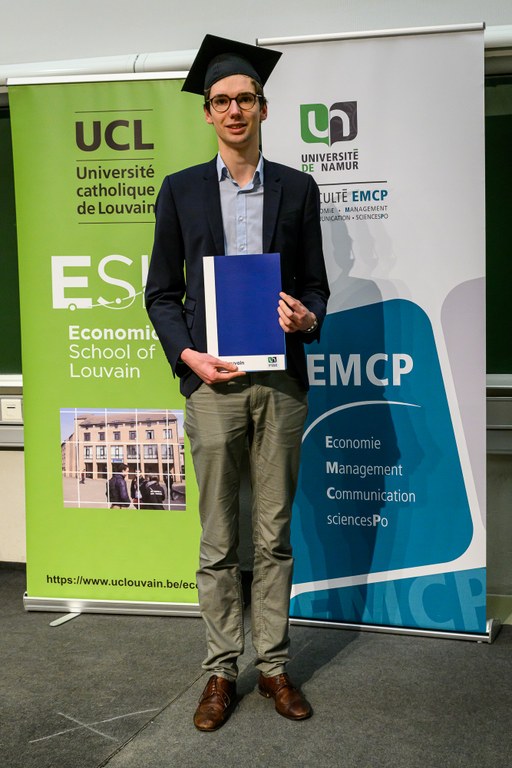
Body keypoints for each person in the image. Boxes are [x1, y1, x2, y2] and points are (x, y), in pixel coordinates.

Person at [145, 34, 329, 732]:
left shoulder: (298, 189)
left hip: (280, 383)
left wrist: (308, 316)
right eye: (220, 101)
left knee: (273, 534)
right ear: (207, 113)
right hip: (213, 385)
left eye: (245, 99)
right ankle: (221, 671)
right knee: (219, 539)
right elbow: (161, 294)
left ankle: (274, 666)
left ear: (263, 108)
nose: (233, 110)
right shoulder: (180, 191)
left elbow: (315, 285)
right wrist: (188, 357)